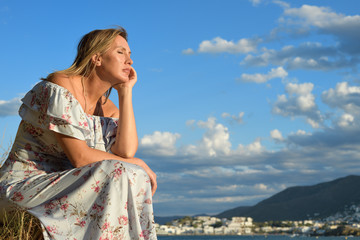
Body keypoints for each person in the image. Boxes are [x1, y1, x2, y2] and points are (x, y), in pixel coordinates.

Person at [0, 27, 158, 240]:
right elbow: (80, 157)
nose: (129, 60)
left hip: (68, 187)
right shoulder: (61, 84)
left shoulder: (109, 109)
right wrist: (137, 163)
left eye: (130, 55)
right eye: (121, 52)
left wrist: (126, 92)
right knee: (119, 170)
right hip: (24, 185)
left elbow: (126, 152)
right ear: (97, 58)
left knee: (133, 173)